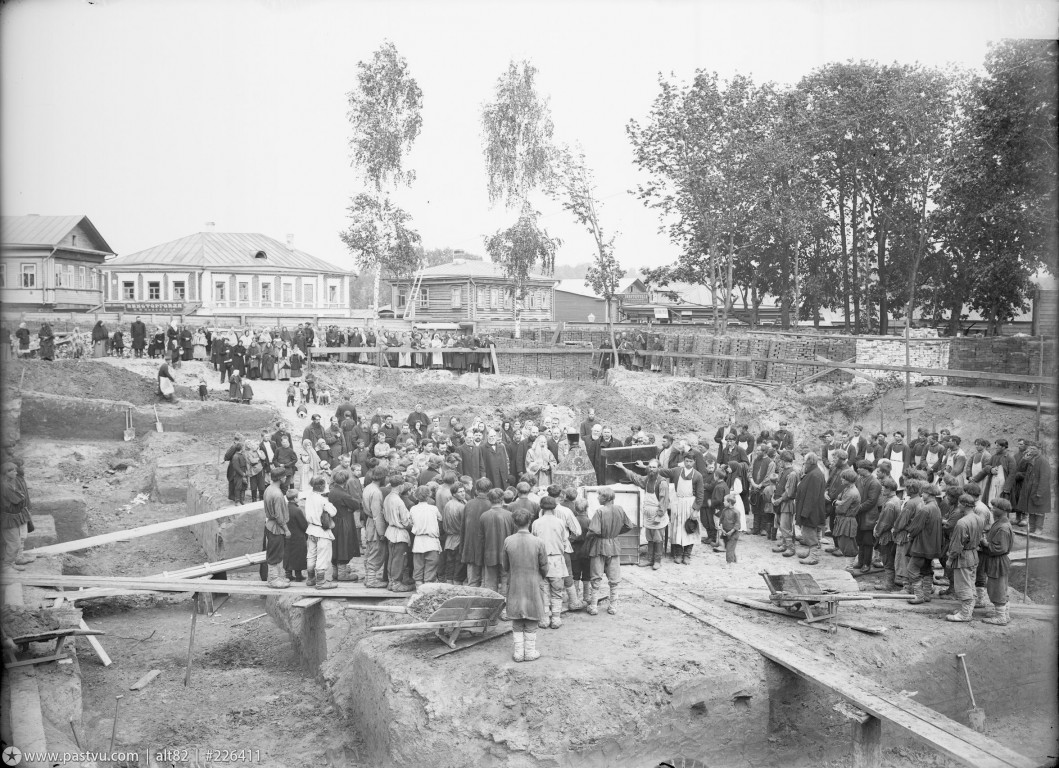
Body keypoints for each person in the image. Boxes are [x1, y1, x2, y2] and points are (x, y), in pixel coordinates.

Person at [502, 506, 549, 662]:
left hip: (515, 583)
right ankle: (529, 652)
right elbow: (544, 566)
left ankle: (518, 653)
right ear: (530, 521)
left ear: (515, 523)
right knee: (532, 616)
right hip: (533, 583)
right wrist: (541, 575)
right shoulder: (538, 542)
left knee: (516, 617)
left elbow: (505, 565)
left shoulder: (508, 541)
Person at [615, 459, 669, 570]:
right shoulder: (647, 479)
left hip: (658, 514)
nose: (652, 469)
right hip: (648, 515)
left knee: (658, 538)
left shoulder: (662, 483)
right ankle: (650, 559)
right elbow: (635, 477)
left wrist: (659, 515)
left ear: (659, 469)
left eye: (654, 467)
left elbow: (664, 501)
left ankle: (657, 561)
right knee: (649, 537)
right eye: (650, 467)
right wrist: (623, 468)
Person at [656, 453, 704, 565]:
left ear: (694, 462)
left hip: (690, 504)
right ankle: (678, 554)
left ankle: (687, 555)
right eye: (686, 461)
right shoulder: (677, 471)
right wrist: (646, 467)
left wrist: (696, 509)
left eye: (691, 461)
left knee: (689, 528)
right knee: (677, 529)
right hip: (678, 502)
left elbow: (701, 494)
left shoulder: (698, 476)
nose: (688, 463)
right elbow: (663, 471)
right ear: (684, 461)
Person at [531, 496, 571, 629]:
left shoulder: (536, 523)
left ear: (541, 507)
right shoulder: (560, 522)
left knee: (543, 590)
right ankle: (556, 618)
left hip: (541, 560)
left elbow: (534, 541)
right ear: (554, 507)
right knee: (557, 590)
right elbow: (565, 541)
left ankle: (544, 618)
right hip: (556, 560)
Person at [586, 487, 626, 616]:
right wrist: (615, 533)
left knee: (596, 576)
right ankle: (613, 606)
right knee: (614, 577)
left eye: (599, 496)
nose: (598, 498)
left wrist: (588, 536)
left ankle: (593, 606)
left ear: (605, 498)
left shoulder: (600, 511)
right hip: (614, 545)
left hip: (599, 545)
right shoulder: (620, 509)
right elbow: (629, 525)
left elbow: (595, 530)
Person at [945, 494, 984, 622]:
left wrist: (950, 559)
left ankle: (965, 614)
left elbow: (957, 545)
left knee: (963, 585)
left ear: (964, 505)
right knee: (971, 584)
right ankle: (967, 610)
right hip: (973, 554)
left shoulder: (962, 523)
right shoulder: (978, 518)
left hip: (963, 557)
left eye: (960, 503)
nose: (958, 505)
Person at [906, 485, 944, 605]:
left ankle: (919, 595)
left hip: (922, 545)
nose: (922, 495)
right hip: (932, 546)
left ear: (929, 494)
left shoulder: (925, 509)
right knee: (927, 570)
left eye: (923, 493)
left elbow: (915, 527)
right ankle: (927, 594)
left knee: (912, 569)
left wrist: (910, 534)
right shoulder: (936, 507)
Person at [982, 498, 1014, 626]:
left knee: (997, 589)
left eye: (995, 507)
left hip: (998, 561)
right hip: (998, 560)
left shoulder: (1003, 527)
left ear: (1003, 510)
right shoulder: (1001, 523)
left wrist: (985, 543)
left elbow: (1000, 548)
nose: (992, 509)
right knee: (1000, 587)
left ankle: (1001, 617)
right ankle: (1003, 613)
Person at [481, 488, 516, 597]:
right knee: (506, 580)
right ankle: (505, 604)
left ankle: (492, 604)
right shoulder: (510, 515)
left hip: (489, 553)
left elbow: (481, 538)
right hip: (506, 554)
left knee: (490, 582)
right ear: (502, 499)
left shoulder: (484, 516)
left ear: (489, 499)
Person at [303, 477, 338, 589]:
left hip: (311, 529)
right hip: (321, 531)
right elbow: (333, 512)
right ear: (322, 486)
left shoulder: (309, 497)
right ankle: (321, 582)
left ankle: (311, 578)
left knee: (311, 555)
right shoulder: (322, 500)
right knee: (323, 556)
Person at [328, 469, 361, 582]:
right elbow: (356, 504)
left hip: (334, 522)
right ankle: (342, 574)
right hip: (344, 522)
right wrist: (350, 508)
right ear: (345, 481)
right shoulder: (343, 494)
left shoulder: (332, 491)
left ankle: (335, 571)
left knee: (335, 546)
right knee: (344, 546)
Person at [794, 453, 827, 565]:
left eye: (804, 462)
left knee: (808, 532)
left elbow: (812, 496)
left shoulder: (814, 475)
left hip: (811, 511)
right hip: (814, 509)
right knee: (813, 531)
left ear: (809, 461)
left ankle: (814, 556)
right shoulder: (814, 473)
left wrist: (805, 512)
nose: (804, 465)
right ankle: (811, 552)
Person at [1, 461, 36, 570]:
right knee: (14, 543)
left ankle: (11, 563)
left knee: (14, 541)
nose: (16, 472)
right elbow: (18, 499)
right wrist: (20, 496)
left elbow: (21, 497)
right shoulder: (5, 486)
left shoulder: (9, 483)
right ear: (7, 473)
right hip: (8, 518)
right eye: (13, 471)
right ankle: (7, 566)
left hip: (12, 516)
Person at [382, 480, 415, 592]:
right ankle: (396, 583)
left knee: (392, 558)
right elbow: (405, 521)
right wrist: (412, 525)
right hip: (399, 532)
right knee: (399, 559)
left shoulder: (388, 497)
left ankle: (391, 582)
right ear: (400, 486)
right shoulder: (398, 501)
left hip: (390, 530)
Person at [261, 468, 291, 589]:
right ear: (280, 478)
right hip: (276, 528)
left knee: (278, 552)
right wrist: (286, 529)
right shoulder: (277, 494)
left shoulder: (269, 488)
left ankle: (278, 576)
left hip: (270, 525)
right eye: (284, 477)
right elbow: (278, 515)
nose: (285, 478)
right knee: (275, 554)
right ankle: (273, 579)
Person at [360, 467, 389, 589]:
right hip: (375, 525)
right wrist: (381, 532)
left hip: (370, 523)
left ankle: (368, 578)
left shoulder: (368, 487)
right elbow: (377, 514)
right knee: (376, 553)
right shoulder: (376, 492)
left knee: (370, 552)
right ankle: (371, 581)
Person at [409, 485, 442, 587]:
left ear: (416, 496)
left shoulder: (413, 509)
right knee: (431, 566)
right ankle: (428, 585)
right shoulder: (433, 509)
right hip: (431, 540)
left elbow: (410, 522)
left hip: (418, 541)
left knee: (418, 566)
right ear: (429, 495)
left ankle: (418, 586)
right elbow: (440, 519)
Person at [1019, 442, 1051, 534]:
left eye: (1034, 449)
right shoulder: (1030, 459)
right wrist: (1024, 459)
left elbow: (1045, 478)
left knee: (1039, 510)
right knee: (1031, 509)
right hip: (1030, 489)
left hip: (1038, 489)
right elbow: (1020, 468)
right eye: (1030, 448)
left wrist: (1040, 492)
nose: (1031, 450)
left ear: (1039, 449)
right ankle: (1032, 527)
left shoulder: (1043, 461)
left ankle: (1039, 528)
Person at [283, 488, 308, 582]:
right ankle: (298, 575)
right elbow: (304, 525)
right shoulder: (297, 510)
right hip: (298, 536)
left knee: (288, 554)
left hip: (287, 536)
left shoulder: (285, 508)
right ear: (294, 499)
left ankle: (288, 574)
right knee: (299, 556)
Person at [224, 436, 248, 504]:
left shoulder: (240, 449)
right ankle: (233, 496)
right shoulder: (234, 447)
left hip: (240, 466)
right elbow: (227, 457)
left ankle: (239, 498)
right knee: (233, 480)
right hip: (234, 466)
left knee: (241, 483)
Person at [718, 493, 741, 565]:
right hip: (725, 532)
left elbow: (737, 524)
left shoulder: (736, 512)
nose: (723, 502)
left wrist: (731, 532)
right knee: (729, 547)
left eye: (725, 501)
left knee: (729, 548)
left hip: (733, 534)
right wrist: (721, 528)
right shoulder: (724, 510)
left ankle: (729, 563)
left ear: (730, 502)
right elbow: (721, 520)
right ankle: (734, 559)